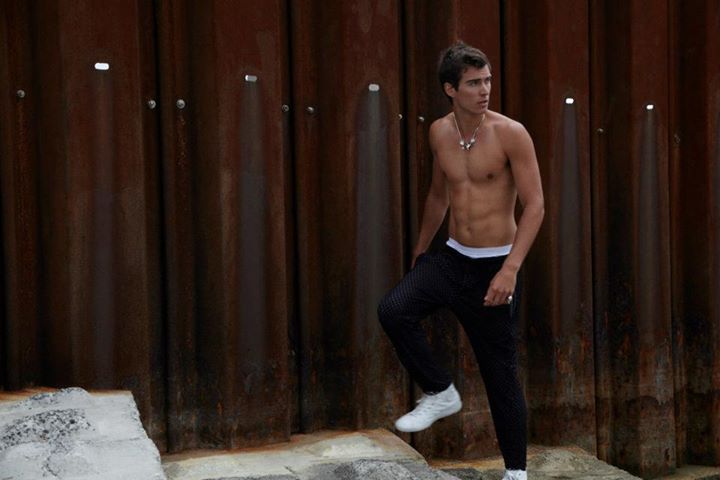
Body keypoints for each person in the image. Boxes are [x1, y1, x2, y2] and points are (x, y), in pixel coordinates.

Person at [377, 42, 544, 480]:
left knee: (499, 372)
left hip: (495, 266)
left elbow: (536, 205)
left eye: (487, 81)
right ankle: (440, 391)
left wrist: (510, 270)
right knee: (393, 309)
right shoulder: (439, 132)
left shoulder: (511, 133)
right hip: (453, 258)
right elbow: (439, 194)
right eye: (473, 83)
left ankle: (516, 473)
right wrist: (421, 249)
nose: (484, 90)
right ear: (450, 89)